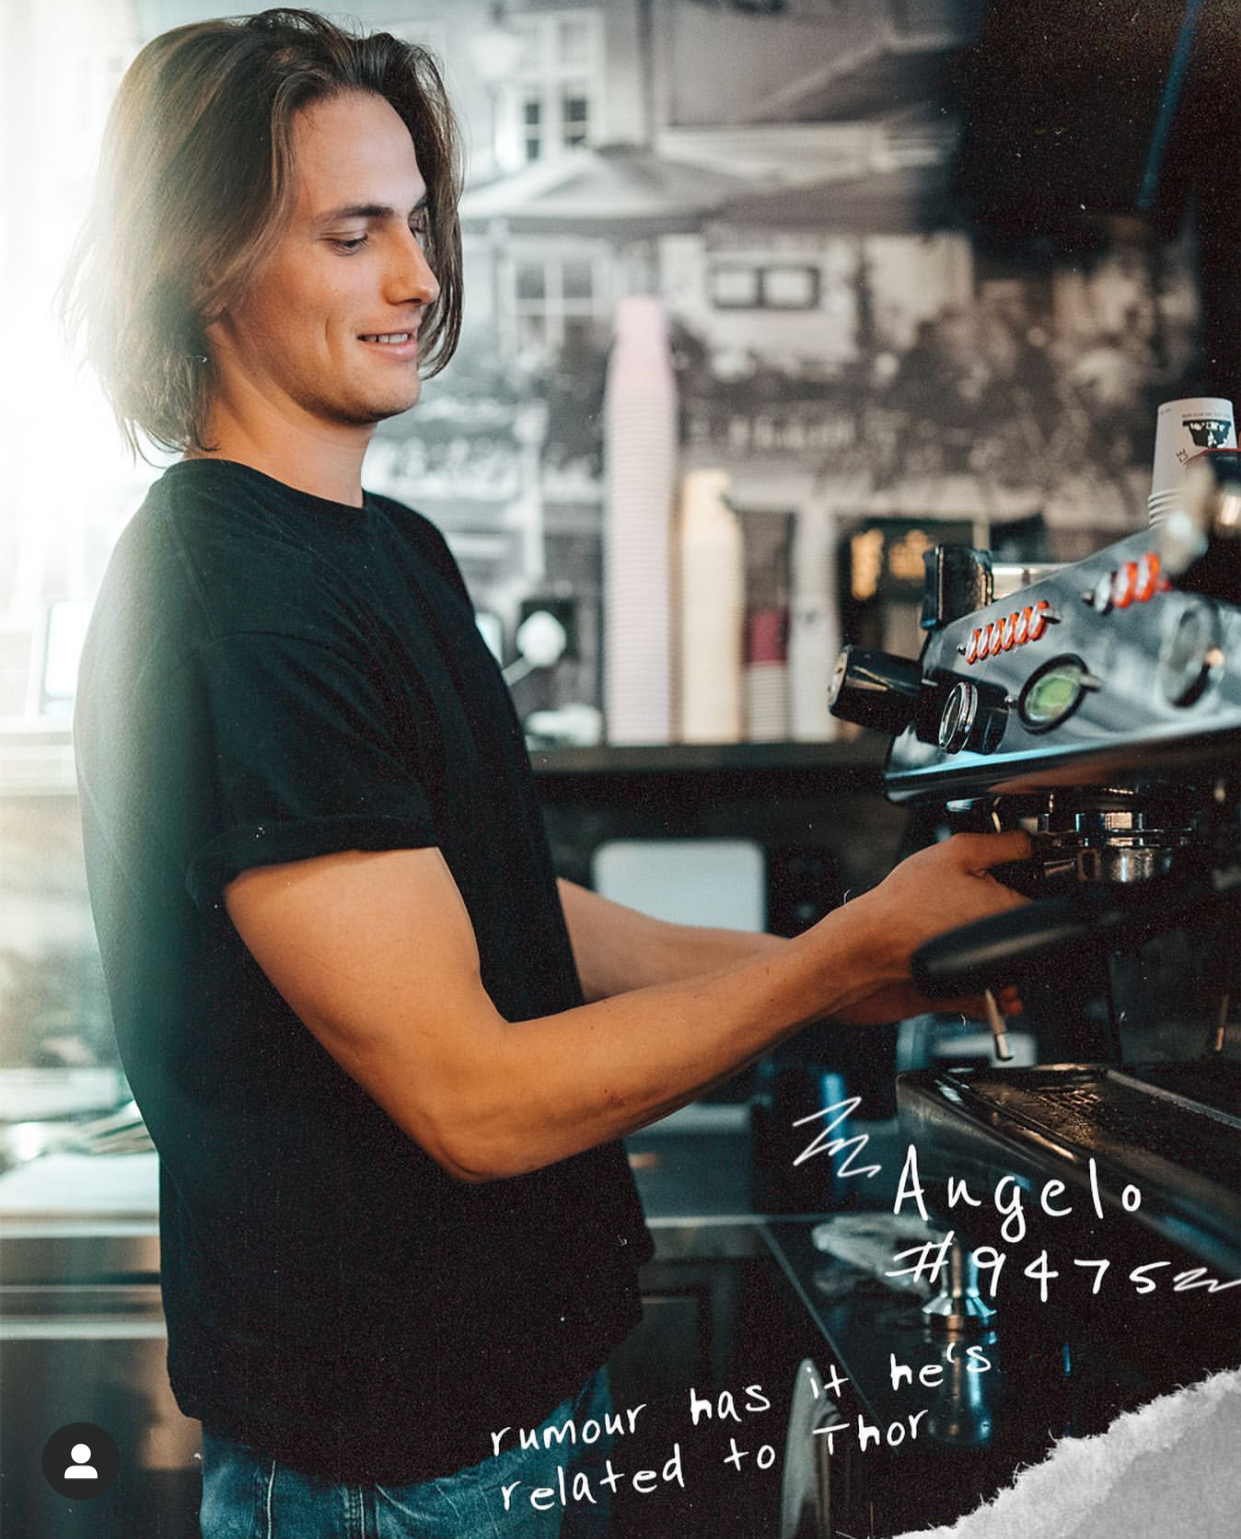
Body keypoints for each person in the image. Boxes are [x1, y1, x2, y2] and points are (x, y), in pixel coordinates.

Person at [61, 10, 1030, 1536]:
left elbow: (519, 911)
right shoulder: (225, 589)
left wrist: (849, 971)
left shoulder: (390, 549)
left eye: (421, 227)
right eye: (352, 234)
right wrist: (838, 953)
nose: (420, 279)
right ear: (203, 266)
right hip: (391, 1467)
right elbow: (470, 1099)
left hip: (506, 1415)